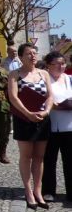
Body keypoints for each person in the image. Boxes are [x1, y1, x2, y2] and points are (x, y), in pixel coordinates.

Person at [8, 43, 54, 209]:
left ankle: (38, 190)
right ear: (20, 57)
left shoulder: (44, 73)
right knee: (26, 156)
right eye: (28, 53)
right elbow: (13, 97)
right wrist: (28, 113)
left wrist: (47, 111)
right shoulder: (15, 74)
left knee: (40, 157)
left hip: (42, 119)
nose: (33, 56)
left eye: (35, 53)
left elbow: (50, 95)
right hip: (24, 119)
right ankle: (28, 191)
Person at [41, 51, 72, 202]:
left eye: (63, 63)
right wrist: (55, 106)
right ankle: (48, 191)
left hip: (70, 127)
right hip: (50, 127)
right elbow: (40, 98)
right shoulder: (44, 79)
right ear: (48, 65)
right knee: (49, 160)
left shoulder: (70, 79)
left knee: (70, 161)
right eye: (57, 63)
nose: (61, 66)